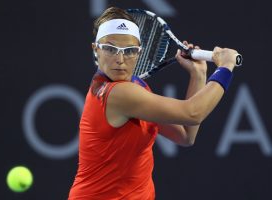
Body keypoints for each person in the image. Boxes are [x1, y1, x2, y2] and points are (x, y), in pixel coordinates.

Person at [68, 6, 239, 200]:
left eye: (130, 51)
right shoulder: (119, 94)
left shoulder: (135, 88)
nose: (120, 59)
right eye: (110, 49)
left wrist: (198, 74)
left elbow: (185, 135)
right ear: (95, 49)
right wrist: (225, 67)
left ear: (139, 52)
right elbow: (193, 113)